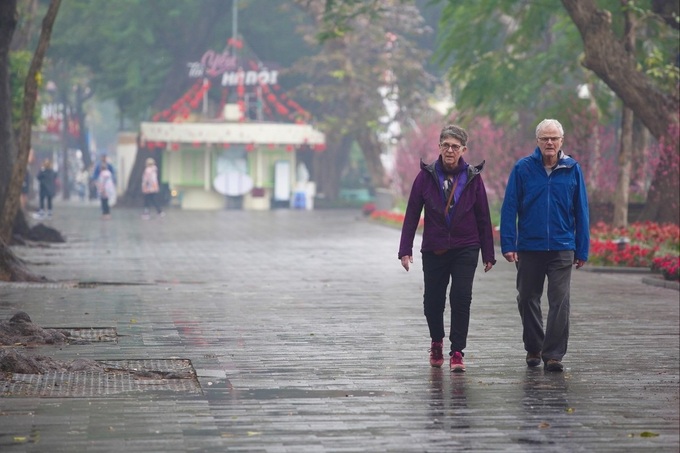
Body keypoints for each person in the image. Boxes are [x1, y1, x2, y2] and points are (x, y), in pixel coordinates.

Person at [398, 124, 496, 372]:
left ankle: (457, 352)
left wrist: (489, 253)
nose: (450, 150)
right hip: (435, 248)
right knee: (433, 301)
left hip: (466, 246)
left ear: (463, 149)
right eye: (445, 145)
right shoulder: (426, 176)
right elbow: (411, 214)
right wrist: (405, 249)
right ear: (439, 147)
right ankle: (436, 341)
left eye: (455, 146)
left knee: (461, 297)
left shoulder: (473, 177)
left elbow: (483, 216)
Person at [500, 118, 589, 372]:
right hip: (529, 246)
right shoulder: (523, 168)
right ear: (537, 142)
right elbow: (510, 208)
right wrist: (508, 243)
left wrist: (581, 249)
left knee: (560, 300)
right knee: (527, 297)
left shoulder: (573, 169)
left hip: (562, 246)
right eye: (545, 138)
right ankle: (534, 347)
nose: (549, 142)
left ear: (562, 141)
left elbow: (581, 210)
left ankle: (553, 355)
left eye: (554, 138)